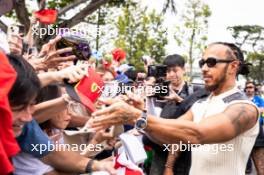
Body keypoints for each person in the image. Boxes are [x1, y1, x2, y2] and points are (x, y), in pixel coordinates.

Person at [90, 42, 259, 175]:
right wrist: (141, 113)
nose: (204, 68)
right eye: (202, 62)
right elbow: (170, 137)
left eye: (211, 62)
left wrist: (135, 117)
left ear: (233, 67)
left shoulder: (245, 108)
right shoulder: (201, 103)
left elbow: (196, 134)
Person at [7, 54, 116, 174]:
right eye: (19, 107)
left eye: (31, 105)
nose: (28, 117)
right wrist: (94, 145)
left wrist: (101, 165)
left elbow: (54, 155)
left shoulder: (26, 129)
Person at [244, 81, 264, 174]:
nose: (249, 89)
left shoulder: (259, 99)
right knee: (244, 154)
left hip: (257, 129)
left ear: (254, 89)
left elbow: (261, 110)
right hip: (244, 130)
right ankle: (248, 169)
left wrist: (248, 112)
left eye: (251, 87)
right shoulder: (242, 99)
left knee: (259, 157)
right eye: (247, 87)